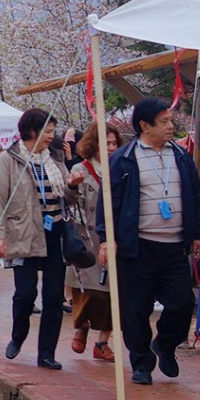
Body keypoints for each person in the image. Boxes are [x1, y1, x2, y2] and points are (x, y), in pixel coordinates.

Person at [107, 96, 200, 386]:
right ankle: (141, 362)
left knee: (182, 303)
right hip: (137, 247)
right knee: (135, 309)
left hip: (175, 246)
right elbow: (110, 203)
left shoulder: (180, 157)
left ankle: (165, 344)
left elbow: (196, 197)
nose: (170, 126)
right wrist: (108, 239)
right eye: (163, 121)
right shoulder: (123, 159)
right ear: (144, 125)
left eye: (170, 120)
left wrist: (198, 233)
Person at [0, 108, 70, 370]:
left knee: (54, 296)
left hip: (55, 233)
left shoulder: (55, 158)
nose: (51, 136)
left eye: (52, 131)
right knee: (25, 293)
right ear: (31, 131)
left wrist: (75, 185)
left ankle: (46, 352)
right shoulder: (9, 159)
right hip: (23, 233)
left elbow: (67, 196)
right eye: (47, 131)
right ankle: (18, 336)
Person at [66, 125, 116, 362]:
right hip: (87, 236)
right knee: (86, 288)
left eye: (114, 143)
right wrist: (73, 186)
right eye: (106, 143)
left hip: (115, 236)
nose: (111, 148)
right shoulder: (80, 169)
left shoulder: (120, 168)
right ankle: (82, 326)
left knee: (115, 292)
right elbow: (69, 199)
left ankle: (103, 341)